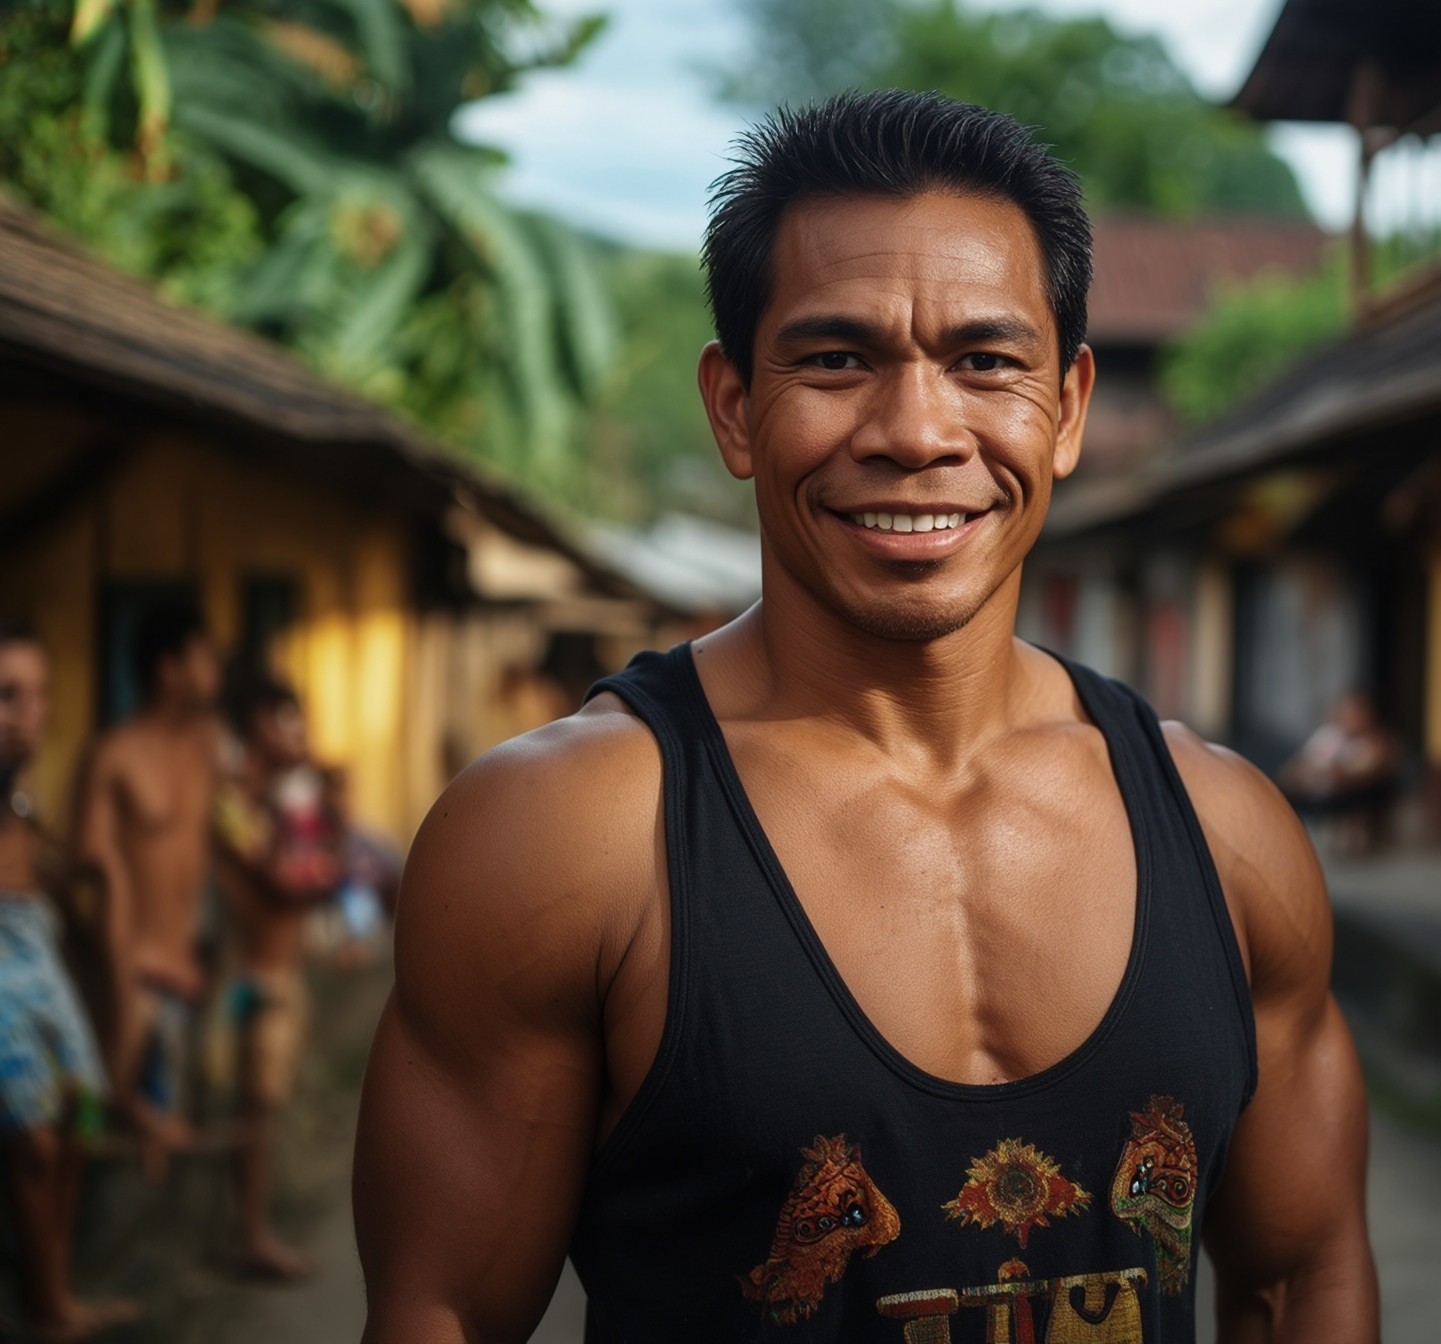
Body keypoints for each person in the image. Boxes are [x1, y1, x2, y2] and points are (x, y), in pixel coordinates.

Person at [356, 91, 1377, 1342]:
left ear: (1068, 407)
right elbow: (439, 1313)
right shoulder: (562, 838)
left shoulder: (1226, 834)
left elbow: (1300, 1277)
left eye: (986, 362)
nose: (913, 433)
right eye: (837, 360)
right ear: (734, 407)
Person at [0, 622, 138, 1340]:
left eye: (40, 695)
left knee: (84, 1111)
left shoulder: (19, 797)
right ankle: (50, 1303)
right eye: (7, 696)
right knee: (35, 1142)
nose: (31, 716)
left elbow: (38, 866)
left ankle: (50, 1279)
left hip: (36, 947)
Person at [74, 603, 222, 1178]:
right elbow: (89, 874)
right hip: (131, 973)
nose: (215, 669)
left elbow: (237, 832)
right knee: (90, 1121)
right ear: (169, 667)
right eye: (204, 655)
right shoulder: (114, 755)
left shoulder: (207, 746)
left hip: (187, 971)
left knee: (159, 1163)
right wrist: (113, 970)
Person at [213, 678, 340, 1280]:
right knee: (255, 1108)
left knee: (261, 1109)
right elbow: (288, 879)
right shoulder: (233, 801)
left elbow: (317, 870)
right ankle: (250, 1236)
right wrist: (318, 868)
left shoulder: (283, 800)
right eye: (289, 722)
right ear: (260, 724)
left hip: (279, 976)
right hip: (250, 981)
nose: (301, 738)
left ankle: (250, 1229)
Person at [1278, 692, 1400, 857]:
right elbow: (1298, 766)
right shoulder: (1328, 736)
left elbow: (1362, 774)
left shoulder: (1375, 743)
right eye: (1346, 711)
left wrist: (1333, 773)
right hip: (1315, 791)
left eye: (1356, 713)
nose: (1350, 717)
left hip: (1348, 795)